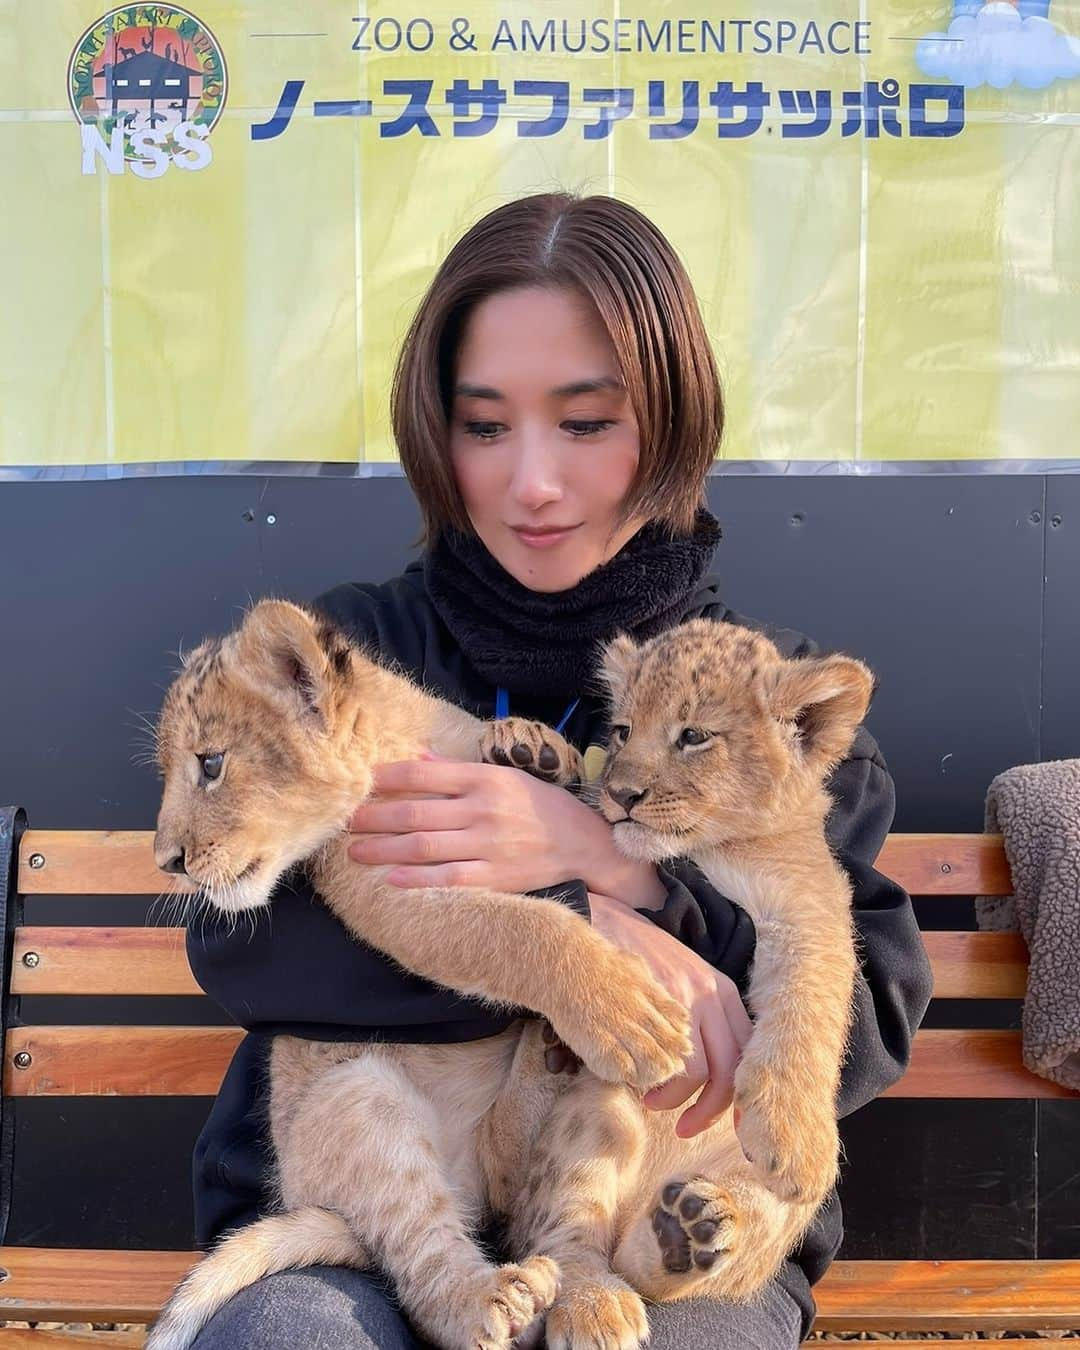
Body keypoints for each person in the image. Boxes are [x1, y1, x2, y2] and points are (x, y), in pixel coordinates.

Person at [186, 192, 932, 1349]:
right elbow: (245, 940)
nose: (532, 482)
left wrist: (626, 873)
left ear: (676, 420)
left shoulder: (769, 701)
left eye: (585, 424)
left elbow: (866, 1020)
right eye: (485, 427)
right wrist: (568, 929)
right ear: (435, 432)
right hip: (382, 1215)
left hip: (659, 1228)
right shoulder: (346, 655)